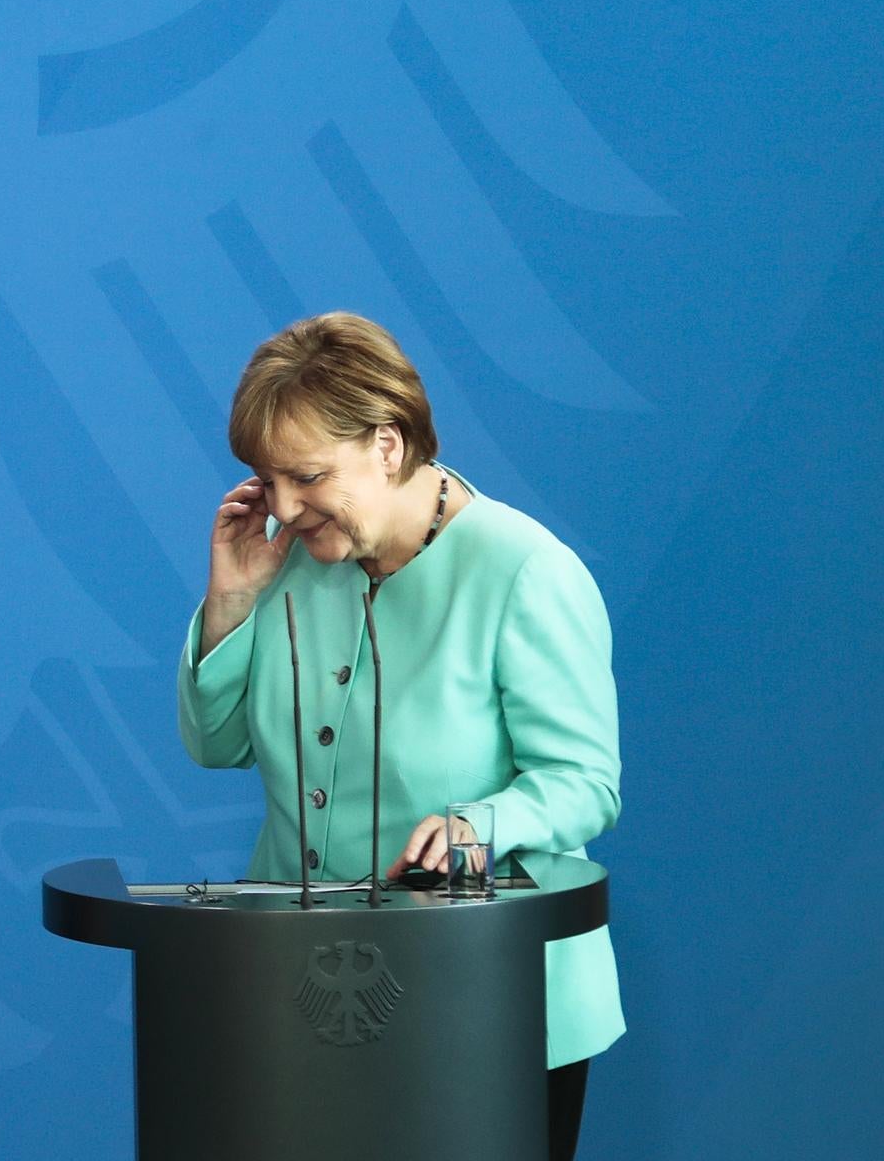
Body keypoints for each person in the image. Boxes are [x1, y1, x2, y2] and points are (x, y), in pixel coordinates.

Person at [179, 312, 622, 1161]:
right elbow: (217, 743)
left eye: (305, 475)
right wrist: (232, 603)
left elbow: (584, 780)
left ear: (387, 444)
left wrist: (480, 826)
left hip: (483, 1000)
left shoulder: (525, 570)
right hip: (298, 993)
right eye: (265, 480)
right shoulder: (291, 563)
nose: (281, 507)